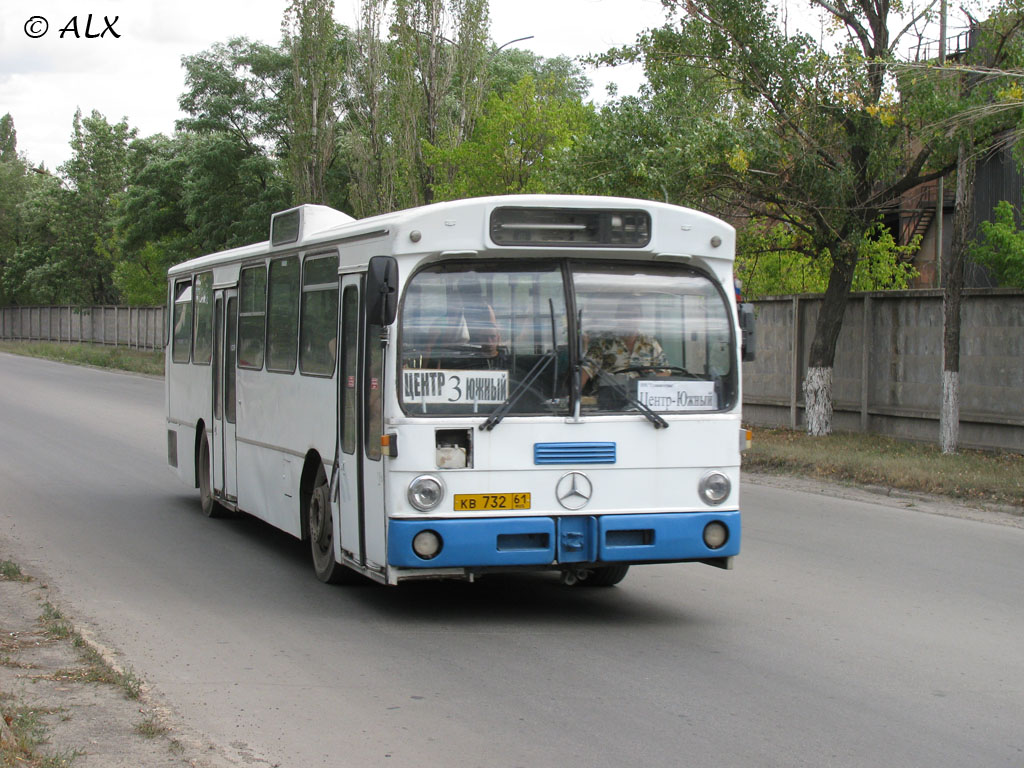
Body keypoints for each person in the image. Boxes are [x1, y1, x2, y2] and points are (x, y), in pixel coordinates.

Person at [579, 300, 668, 391]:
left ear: (641, 318)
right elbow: (586, 370)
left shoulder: (650, 344)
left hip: (641, 401)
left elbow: (665, 372)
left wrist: (650, 379)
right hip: (609, 399)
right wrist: (573, 396)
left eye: (634, 316)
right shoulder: (604, 343)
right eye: (625, 316)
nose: (630, 320)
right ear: (617, 317)